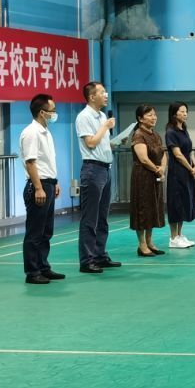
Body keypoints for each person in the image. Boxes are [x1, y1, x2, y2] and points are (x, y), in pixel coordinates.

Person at [76, 81, 121, 274]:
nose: (106, 95)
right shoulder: (84, 117)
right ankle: (87, 260)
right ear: (91, 96)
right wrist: (105, 127)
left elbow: (102, 143)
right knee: (90, 218)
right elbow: (91, 142)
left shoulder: (102, 115)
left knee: (102, 217)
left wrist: (115, 142)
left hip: (105, 169)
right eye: (102, 92)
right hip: (92, 170)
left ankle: (100, 255)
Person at [20, 94, 63, 286]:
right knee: (35, 232)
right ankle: (32, 271)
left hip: (48, 183)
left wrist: (55, 182)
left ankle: (43, 266)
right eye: (52, 110)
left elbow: (47, 162)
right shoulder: (31, 132)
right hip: (39, 185)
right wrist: (38, 188)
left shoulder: (45, 132)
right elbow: (31, 162)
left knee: (46, 231)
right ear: (42, 112)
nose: (55, 113)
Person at [129, 104, 166, 257]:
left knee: (152, 208)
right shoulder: (138, 135)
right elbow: (143, 158)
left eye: (154, 114)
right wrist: (157, 169)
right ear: (140, 118)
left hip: (155, 175)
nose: (153, 117)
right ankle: (142, 245)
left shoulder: (156, 135)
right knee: (142, 209)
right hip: (142, 176)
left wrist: (162, 168)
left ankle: (150, 242)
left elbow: (163, 154)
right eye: (149, 115)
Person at [165, 102, 195, 250]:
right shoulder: (170, 132)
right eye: (182, 111)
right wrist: (190, 168)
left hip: (187, 173)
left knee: (184, 203)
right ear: (174, 114)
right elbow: (178, 155)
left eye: (186, 111)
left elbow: (189, 151)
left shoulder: (184, 130)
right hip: (177, 173)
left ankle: (179, 235)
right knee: (176, 204)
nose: (185, 114)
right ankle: (173, 238)